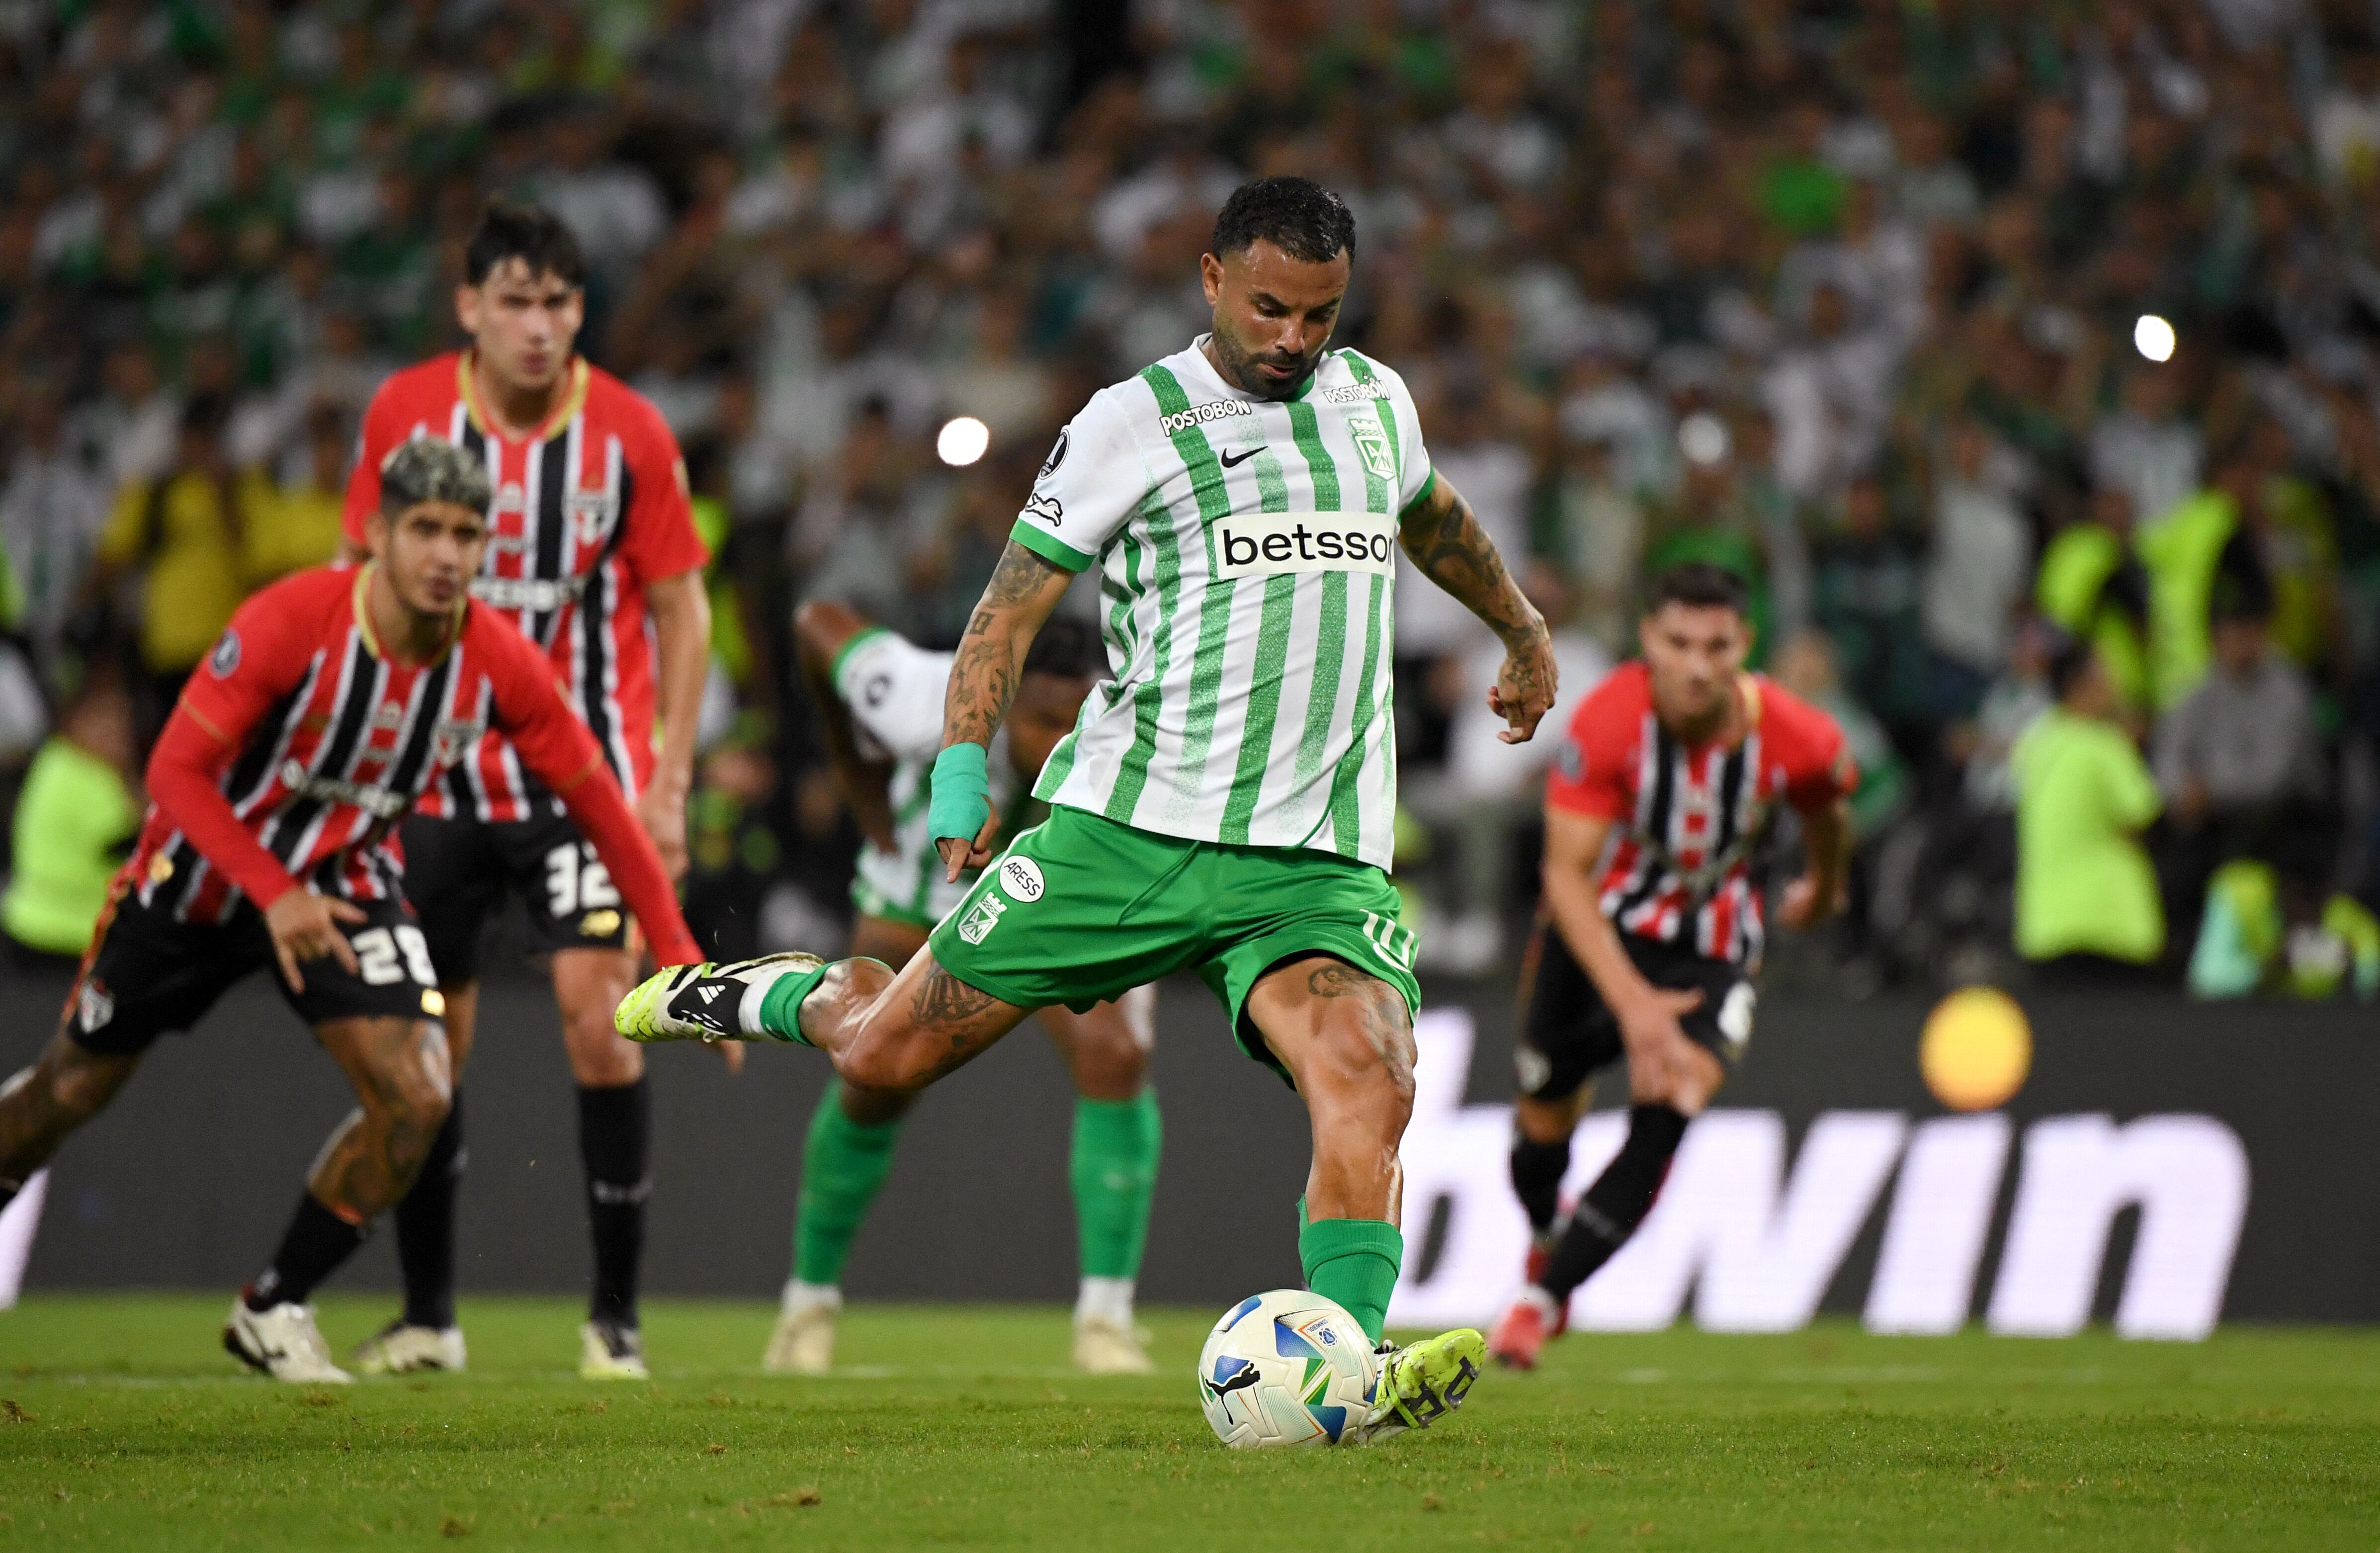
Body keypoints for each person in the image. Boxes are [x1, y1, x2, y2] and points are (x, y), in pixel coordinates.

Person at [618, 176, 1559, 1445]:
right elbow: (1006, 611)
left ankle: (1351, 1366)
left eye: (1320, 316)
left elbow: (1431, 519)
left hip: (1315, 855)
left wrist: (1518, 622)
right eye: (1271, 307)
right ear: (1214, 279)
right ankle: (764, 992)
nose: (1293, 339)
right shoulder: (1134, 421)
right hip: (1128, 834)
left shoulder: (1376, 402)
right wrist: (961, 773)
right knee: (885, 1054)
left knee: (1369, 1076)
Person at [0, 440, 700, 1383]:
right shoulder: (294, 618)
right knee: (70, 1091)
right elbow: (175, 771)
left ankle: (274, 1303)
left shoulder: (494, 658)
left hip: (344, 881)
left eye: (465, 533)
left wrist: (681, 952)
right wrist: (271, 889)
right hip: (203, 882)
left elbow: (601, 807)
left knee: (418, 1093)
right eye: (425, 529)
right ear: (376, 532)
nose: (446, 554)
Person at [338, 202, 711, 1380]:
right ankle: (430, 1317)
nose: (538, 326)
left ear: (579, 309)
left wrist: (669, 777)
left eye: (558, 302)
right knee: (428, 1052)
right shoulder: (406, 416)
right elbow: (362, 582)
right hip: (436, 783)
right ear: (470, 307)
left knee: (601, 1024)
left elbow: (679, 605)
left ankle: (614, 1321)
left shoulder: (632, 434)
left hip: (579, 781)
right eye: (515, 300)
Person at [773, 602, 1162, 1376]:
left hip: (1057, 894)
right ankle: (806, 1307)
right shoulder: (925, 696)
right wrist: (855, 771)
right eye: (1043, 719)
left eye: (1073, 721)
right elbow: (816, 622)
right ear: (1006, 694)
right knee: (872, 1084)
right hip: (921, 892)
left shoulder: (1128, 720)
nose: (1060, 743)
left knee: (1116, 1053)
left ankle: (1106, 1322)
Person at [1486, 563, 1852, 1369]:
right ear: (1648, 639)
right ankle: (1549, 1230)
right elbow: (1563, 877)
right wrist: (1633, 1003)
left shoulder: (1798, 735)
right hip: (1599, 933)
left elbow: (1827, 810)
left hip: (1712, 941)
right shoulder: (1609, 721)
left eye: (1715, 645)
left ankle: (1538, 1301)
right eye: (1678, 643)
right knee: (1539, 1126)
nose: (1696, 664)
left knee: (1676, 1087)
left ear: (1742, 646)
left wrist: (1822, 891)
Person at [2010, 635, 2165, 984]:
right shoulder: (2103, 746)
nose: (2115, 686)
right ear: (2083, 685)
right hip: (2110, 925)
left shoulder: (2037, 746)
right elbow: (2143, 820)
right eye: (2106, 676)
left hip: (2044, 926)